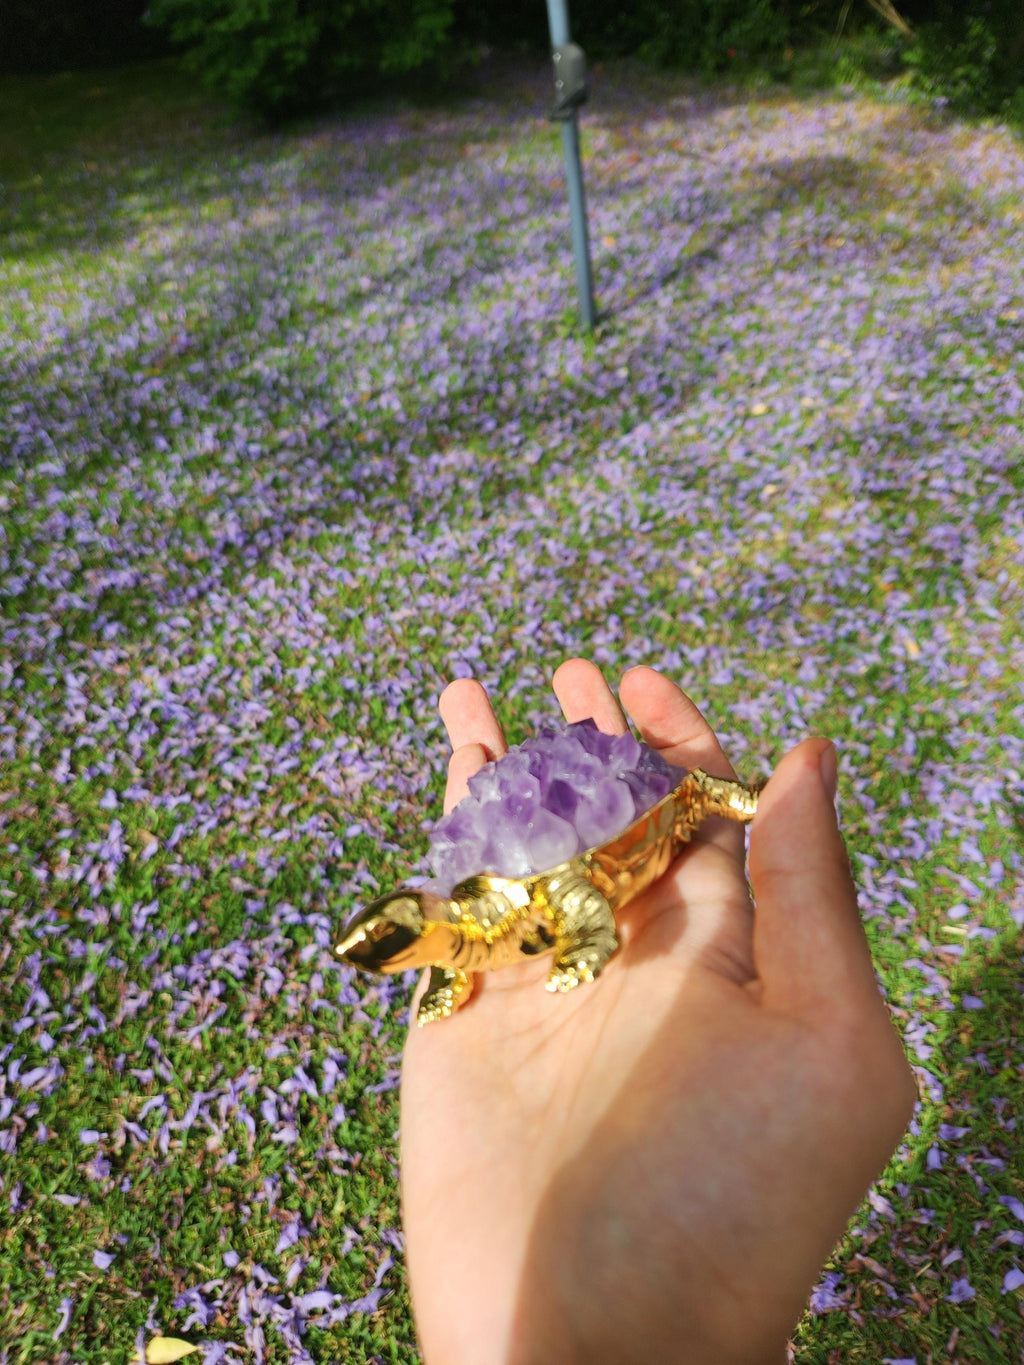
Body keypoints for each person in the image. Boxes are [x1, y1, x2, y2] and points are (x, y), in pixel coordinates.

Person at [399, 659, 917, 1365]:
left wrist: (585, 948)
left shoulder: (539, 897)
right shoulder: (467, 931)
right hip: (540, 849)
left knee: (693, 794)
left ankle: (713, 794)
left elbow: (582, 901)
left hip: (634, 815)